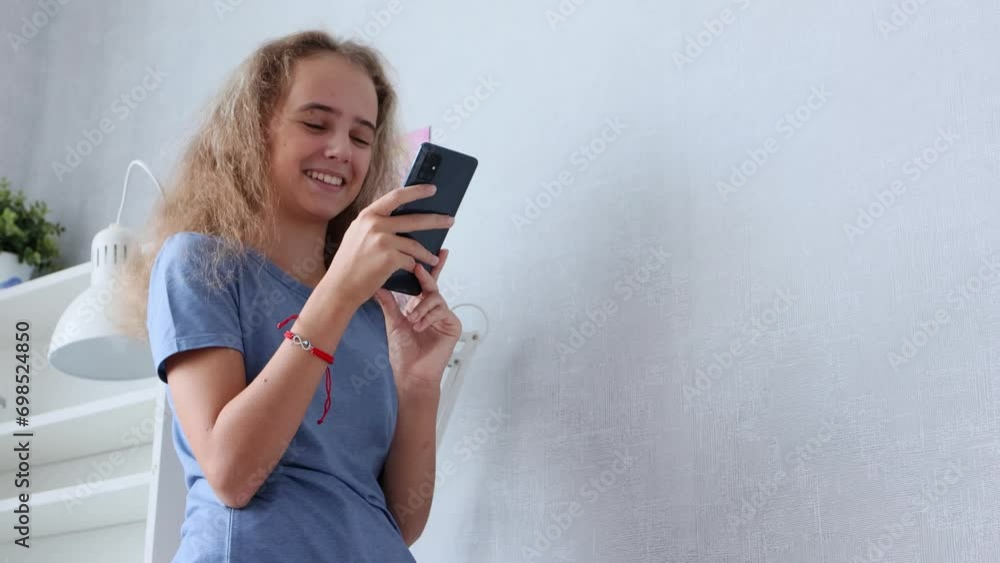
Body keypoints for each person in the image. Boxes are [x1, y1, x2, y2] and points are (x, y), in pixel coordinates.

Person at [117, 30, 461, 562]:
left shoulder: (374, 309)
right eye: (316, 124)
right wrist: (337, 293)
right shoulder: (198, 264)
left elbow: (399, 522)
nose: (340, 150)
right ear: (255, 129)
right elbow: (233, 475)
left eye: (362, 137)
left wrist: (418, 384)